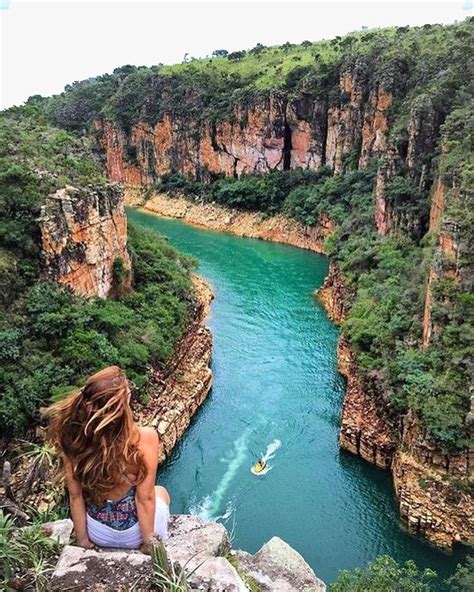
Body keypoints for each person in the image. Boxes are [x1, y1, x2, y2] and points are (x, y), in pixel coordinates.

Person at [44, 366, 170, 552]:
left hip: (98, 533)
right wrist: (147, 545)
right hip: (134, 535)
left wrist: (83, 541)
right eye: (127, 390)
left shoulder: (73, 439)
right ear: (122, 402)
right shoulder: (144, 438)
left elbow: (75, 496)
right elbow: (145, 499)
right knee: (161, 492)